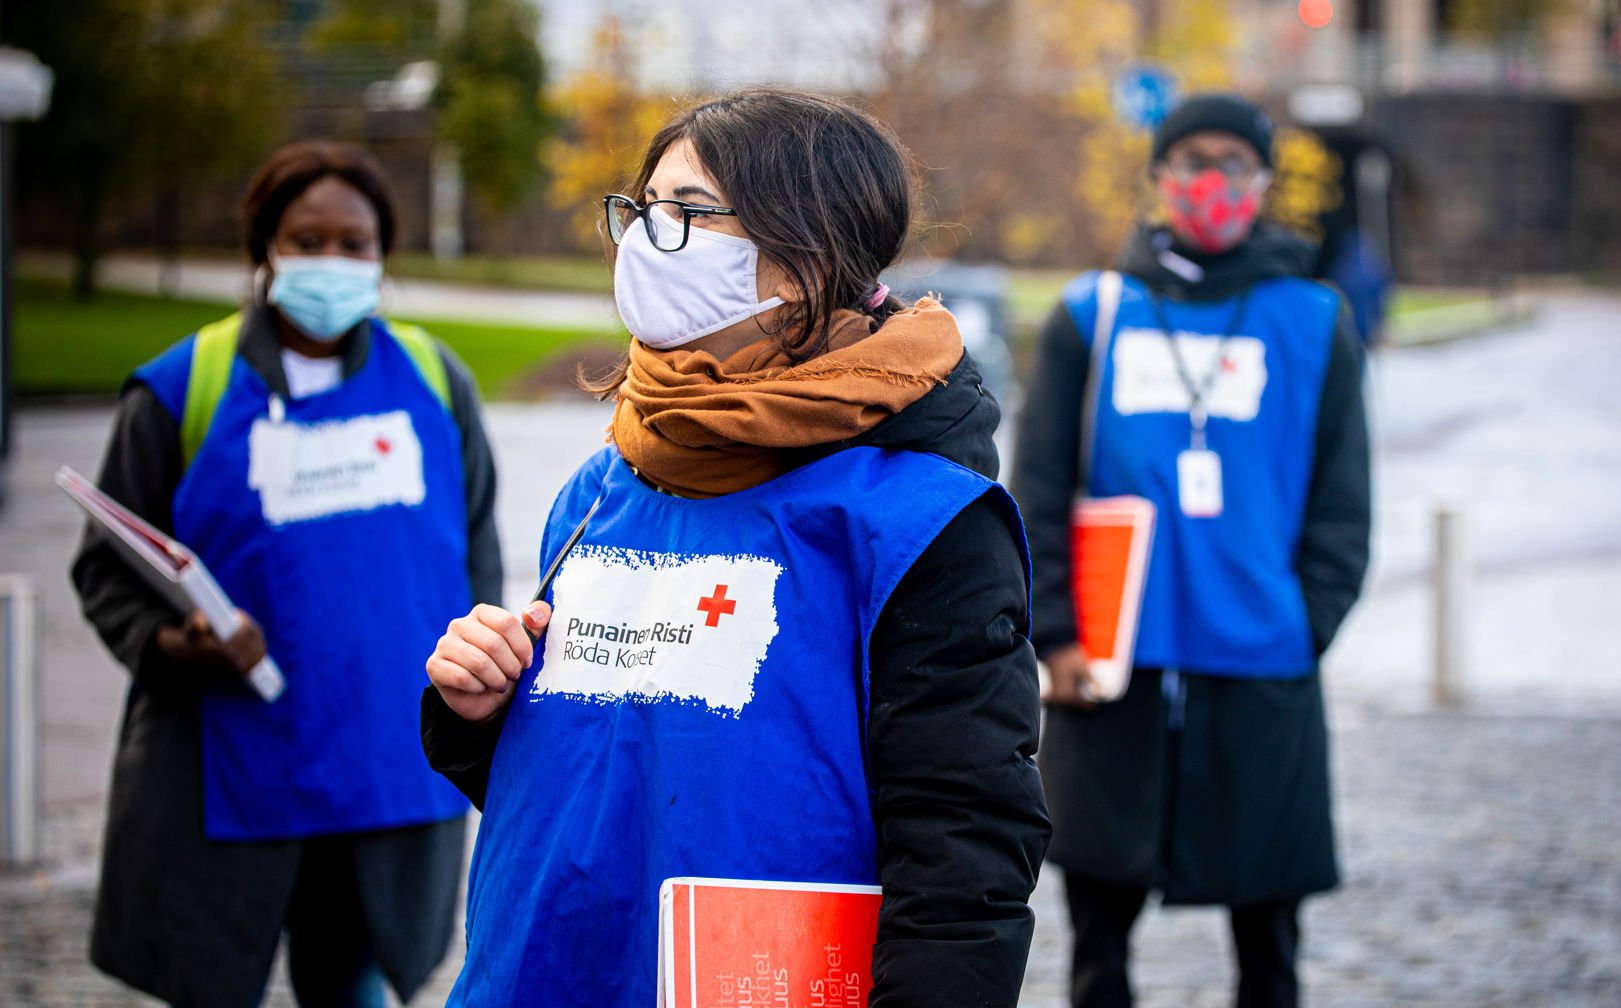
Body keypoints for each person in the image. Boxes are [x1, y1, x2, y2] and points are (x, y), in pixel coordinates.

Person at [420, 87, 1048, 1006]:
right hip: (547, 974)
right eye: (642, 209)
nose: (644, 238)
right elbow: (591, 775)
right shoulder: (603, 488)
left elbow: (966, 849)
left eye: (686, 213)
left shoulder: (922, 522)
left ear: (802, 260)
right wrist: (477, 708)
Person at [69, 140, 502, 1006]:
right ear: (265, 246)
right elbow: (107, 571)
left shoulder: (433, 381)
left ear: (384, 255)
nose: (332, 263)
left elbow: (477, 562)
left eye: (355, 244)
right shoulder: (182, 388)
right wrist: (174, 643)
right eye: (309, 241)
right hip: (222, 779)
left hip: (383, 779)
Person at [1011, 93, 1371, 1008]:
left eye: (1234, 163)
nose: (1211, 181)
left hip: (1260, 667)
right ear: (1158, 178)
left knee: (1270, 939)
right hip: (1108, 667)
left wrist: (1303, 625)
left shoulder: (1313, 322)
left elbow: (1342, 506)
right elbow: (1040, 491)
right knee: (1097, 944)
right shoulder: (1090, 317)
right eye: (1191, 161)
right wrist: (1054, 636)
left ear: (1264, 183)